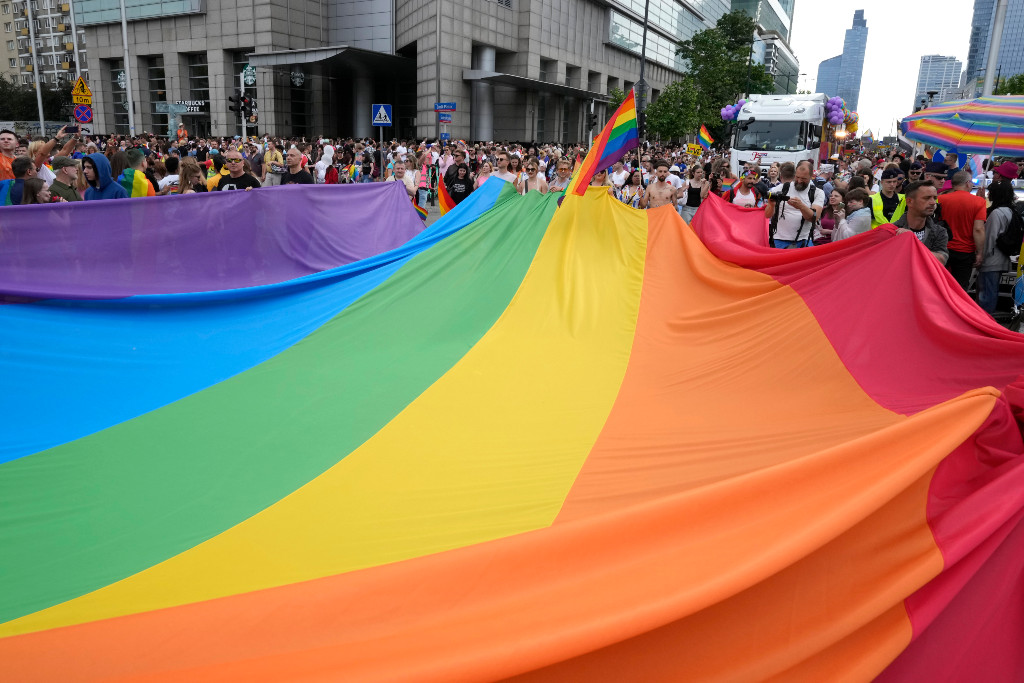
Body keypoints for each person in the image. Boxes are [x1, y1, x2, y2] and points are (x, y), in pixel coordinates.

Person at [937, 170, 987, 290]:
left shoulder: (940, 199)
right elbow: (979, 229)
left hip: (942, 248)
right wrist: (980, 253)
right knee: (960, 288)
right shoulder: (979, 202)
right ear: (967, 183)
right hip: (965, 251)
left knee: (939, 285)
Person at [977, 181, 1017, 315]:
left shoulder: (996, 214)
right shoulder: (1009, 210)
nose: (989, 194)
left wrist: (981, 256)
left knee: (986, 293)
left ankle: (985, 322)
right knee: (991, 291)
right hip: (1002, 258)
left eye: (991, 192)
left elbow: (989, 238)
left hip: (991, 260)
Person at [765, 160, 824, 248]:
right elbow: (767, 215)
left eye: (803, 179)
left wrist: (801, 206)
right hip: (779, 240)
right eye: (797, 177)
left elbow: (814, 217)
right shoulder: (781, 188)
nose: (799, 181)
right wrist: (771, 205)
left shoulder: (817, 192)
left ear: (811, 176)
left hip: (804, 241)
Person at [892, 181, 948, 264]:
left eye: (935, 198)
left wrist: (913, 242)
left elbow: (941, 260)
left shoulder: (939, 231)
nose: (933, 202)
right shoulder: (893, 230)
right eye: (927, 198)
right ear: (909, 202)